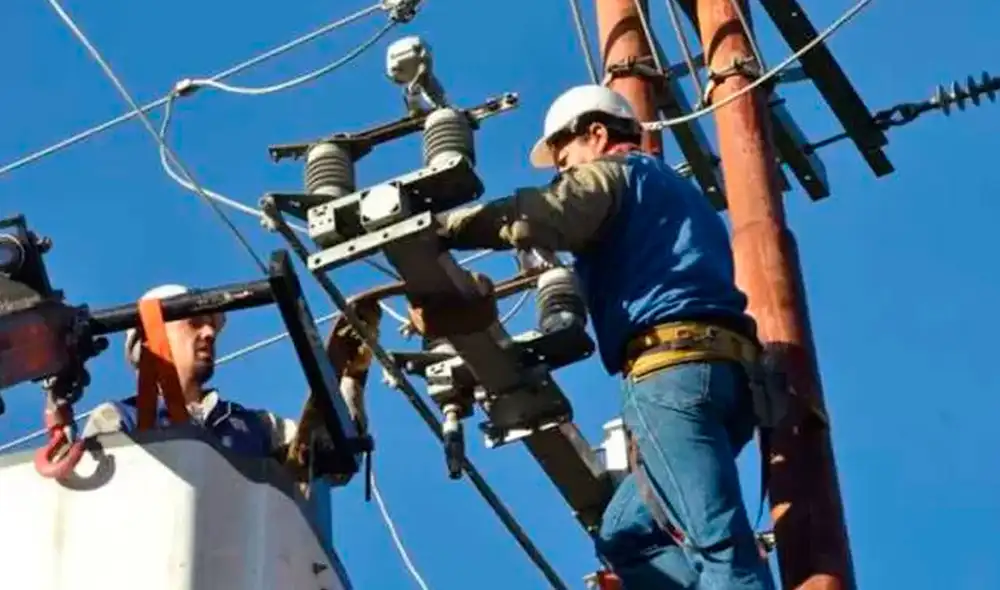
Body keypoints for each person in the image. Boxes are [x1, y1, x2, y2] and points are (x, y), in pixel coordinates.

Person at [428, 85, 776, 589]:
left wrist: (445, 228)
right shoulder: (675, 193)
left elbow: (547, 214)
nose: (562, 172)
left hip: (670, 373)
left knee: (718, 544)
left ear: (595, 133)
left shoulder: (616, 174)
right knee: (626, 535)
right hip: (725, 378)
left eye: (564, 158)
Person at [82, 284, 296, 459]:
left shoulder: (259, 426)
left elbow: (308, 449)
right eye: (194, 323)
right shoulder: (118, 419)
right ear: (150, 339)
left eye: (211, 325)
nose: (210, 332)